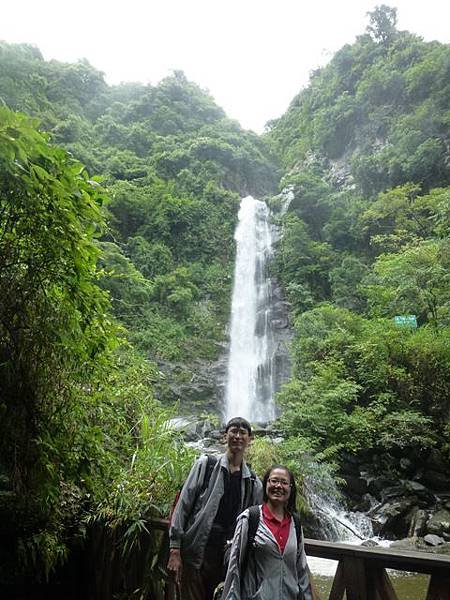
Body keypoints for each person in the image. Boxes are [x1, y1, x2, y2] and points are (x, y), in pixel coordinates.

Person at [167, 417, 263, 600]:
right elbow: (183, 505)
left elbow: (256, 523)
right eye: (233, 431)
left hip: (228, 558)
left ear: (250, 440)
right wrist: (174, 549)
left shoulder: (253, 482)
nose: (238, 436)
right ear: (224, 436)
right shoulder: (206, 465)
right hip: (197, 551)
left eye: (243, 432)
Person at [221, 465, 313, 600]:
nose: (278, 486)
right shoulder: (250, 518)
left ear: (290, 488)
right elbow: (234, 568)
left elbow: (301, 569)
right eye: (274, 481)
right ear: (266, 484)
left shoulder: (295, 524)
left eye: (284, 482)